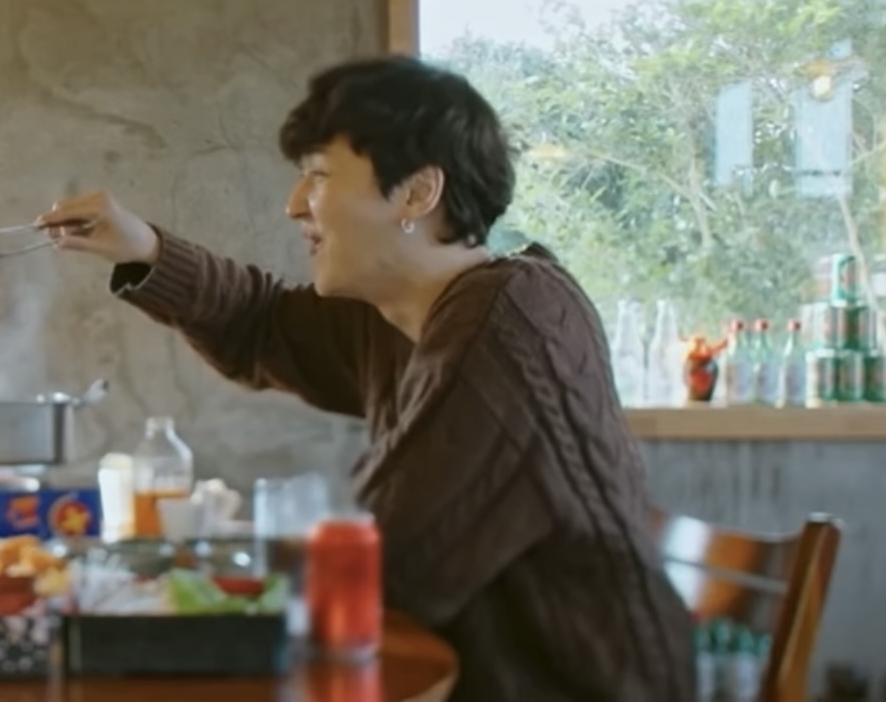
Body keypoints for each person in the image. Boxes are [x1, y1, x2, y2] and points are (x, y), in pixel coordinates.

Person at [41, 55, 695, 702]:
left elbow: (385, 566)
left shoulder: (504, 325)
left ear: (416, 192)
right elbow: (262, 324)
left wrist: (214, 563)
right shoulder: (411, 314)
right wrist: (146, 248)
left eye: (320, 175)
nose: (293, 204)